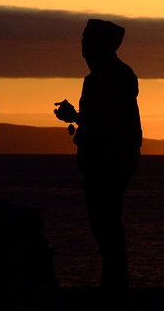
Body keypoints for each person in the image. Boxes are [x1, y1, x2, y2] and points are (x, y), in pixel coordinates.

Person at [54, 19, 142, 295]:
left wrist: (77, 119)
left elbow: (107, 123)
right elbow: (103, 120)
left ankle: (114, 290)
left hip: (108, 159)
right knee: (105, 222)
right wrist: (78, 118)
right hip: (110, 157)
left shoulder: (109, 77)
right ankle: (114, 286)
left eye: (86, 39)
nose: (82, 45)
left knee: (106, 223)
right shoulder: (110, 76)